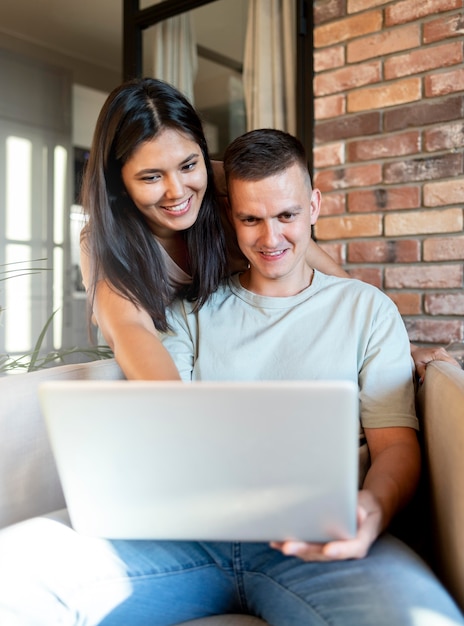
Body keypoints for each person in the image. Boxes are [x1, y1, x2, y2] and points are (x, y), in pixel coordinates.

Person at [155, 128, 464, 623]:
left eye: (287, 215)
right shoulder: (192, 314)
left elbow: (396, 448)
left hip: (320, 533)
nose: (270, 238)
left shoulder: (366, 310)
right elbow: (163, 434)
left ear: (314, 206)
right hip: (194, 538)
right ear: (229, 217)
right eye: (250, 219)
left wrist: (373, 509)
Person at [78, 76, 457, 383]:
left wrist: (394, 346)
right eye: (150, 176)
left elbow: (321, 269)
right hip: (172, 367)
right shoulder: (104, 241)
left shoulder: (226, 185)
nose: (178, 191)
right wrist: (180, 417)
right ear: (118, 182)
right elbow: (131, 330)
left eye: (189, 165)